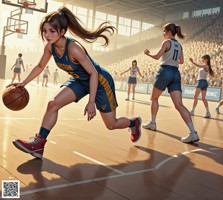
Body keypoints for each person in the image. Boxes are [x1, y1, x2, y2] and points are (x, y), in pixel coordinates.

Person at [9, 6, 142, 159]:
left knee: (111, 124)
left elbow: (93, 73)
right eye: (45, 31)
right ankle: (39, 144)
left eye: (52, 31)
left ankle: (134, 123)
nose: (47, 35)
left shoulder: (73, 48)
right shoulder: (50, 47)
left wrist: (91, 102)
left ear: (62, 32)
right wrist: (23, 83)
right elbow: (40, 66)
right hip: (80, 80)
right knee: (53, 103)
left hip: (99, 81)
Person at [142, 23, 199, 143]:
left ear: (168, 32)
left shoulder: (166, 42)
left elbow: (157, 57)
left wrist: (148, 54)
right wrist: (173, 58)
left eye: (164, 31)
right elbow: (181, 61)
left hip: (165, 71)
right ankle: (193, 132)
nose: (163, 33)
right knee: (179, 105)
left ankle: (153, 123)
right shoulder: (179, 45)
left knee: (154, 98)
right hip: (175, 73)